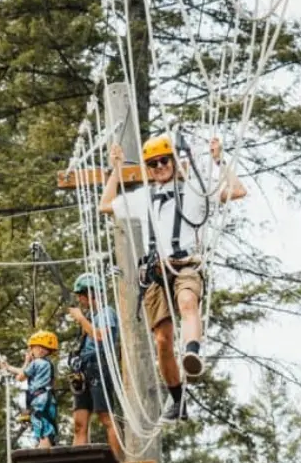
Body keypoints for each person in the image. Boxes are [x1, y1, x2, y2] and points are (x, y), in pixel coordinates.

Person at [99, 135, 247, 422]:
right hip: (156, 272)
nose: (159, 167)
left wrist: (220, 161)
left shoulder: (195, 190)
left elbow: (237, 191)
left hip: (185, 265)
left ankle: (192, 352)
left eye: (164, 160)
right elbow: (105, 205)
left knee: (188, 302)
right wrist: (116, 170)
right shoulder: (143, 197)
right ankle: (177, 399)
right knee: (162, 341)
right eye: (152, 164)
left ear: (175, 161)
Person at [68, 272, 123, 460]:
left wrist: (81, 319)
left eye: (80, 296)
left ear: (90, 293)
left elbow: (101, 336)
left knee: (106, 417)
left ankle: (117, 461)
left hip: (100, 364)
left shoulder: (106, 313)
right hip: (83, 367)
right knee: (79, 423)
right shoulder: (93, 315)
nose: (79, 300)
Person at [0, 330, 59, 448]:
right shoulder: (47, 363)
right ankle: (47, 445)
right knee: (47, 424)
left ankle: (43, 450)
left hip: (39, 400)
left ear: (39, 349)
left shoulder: (36, 362)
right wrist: (9, 367)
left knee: (41, 426)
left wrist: (26, 361)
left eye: (33, 348)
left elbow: (20, 377)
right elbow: (26, 372)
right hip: (48, 399)